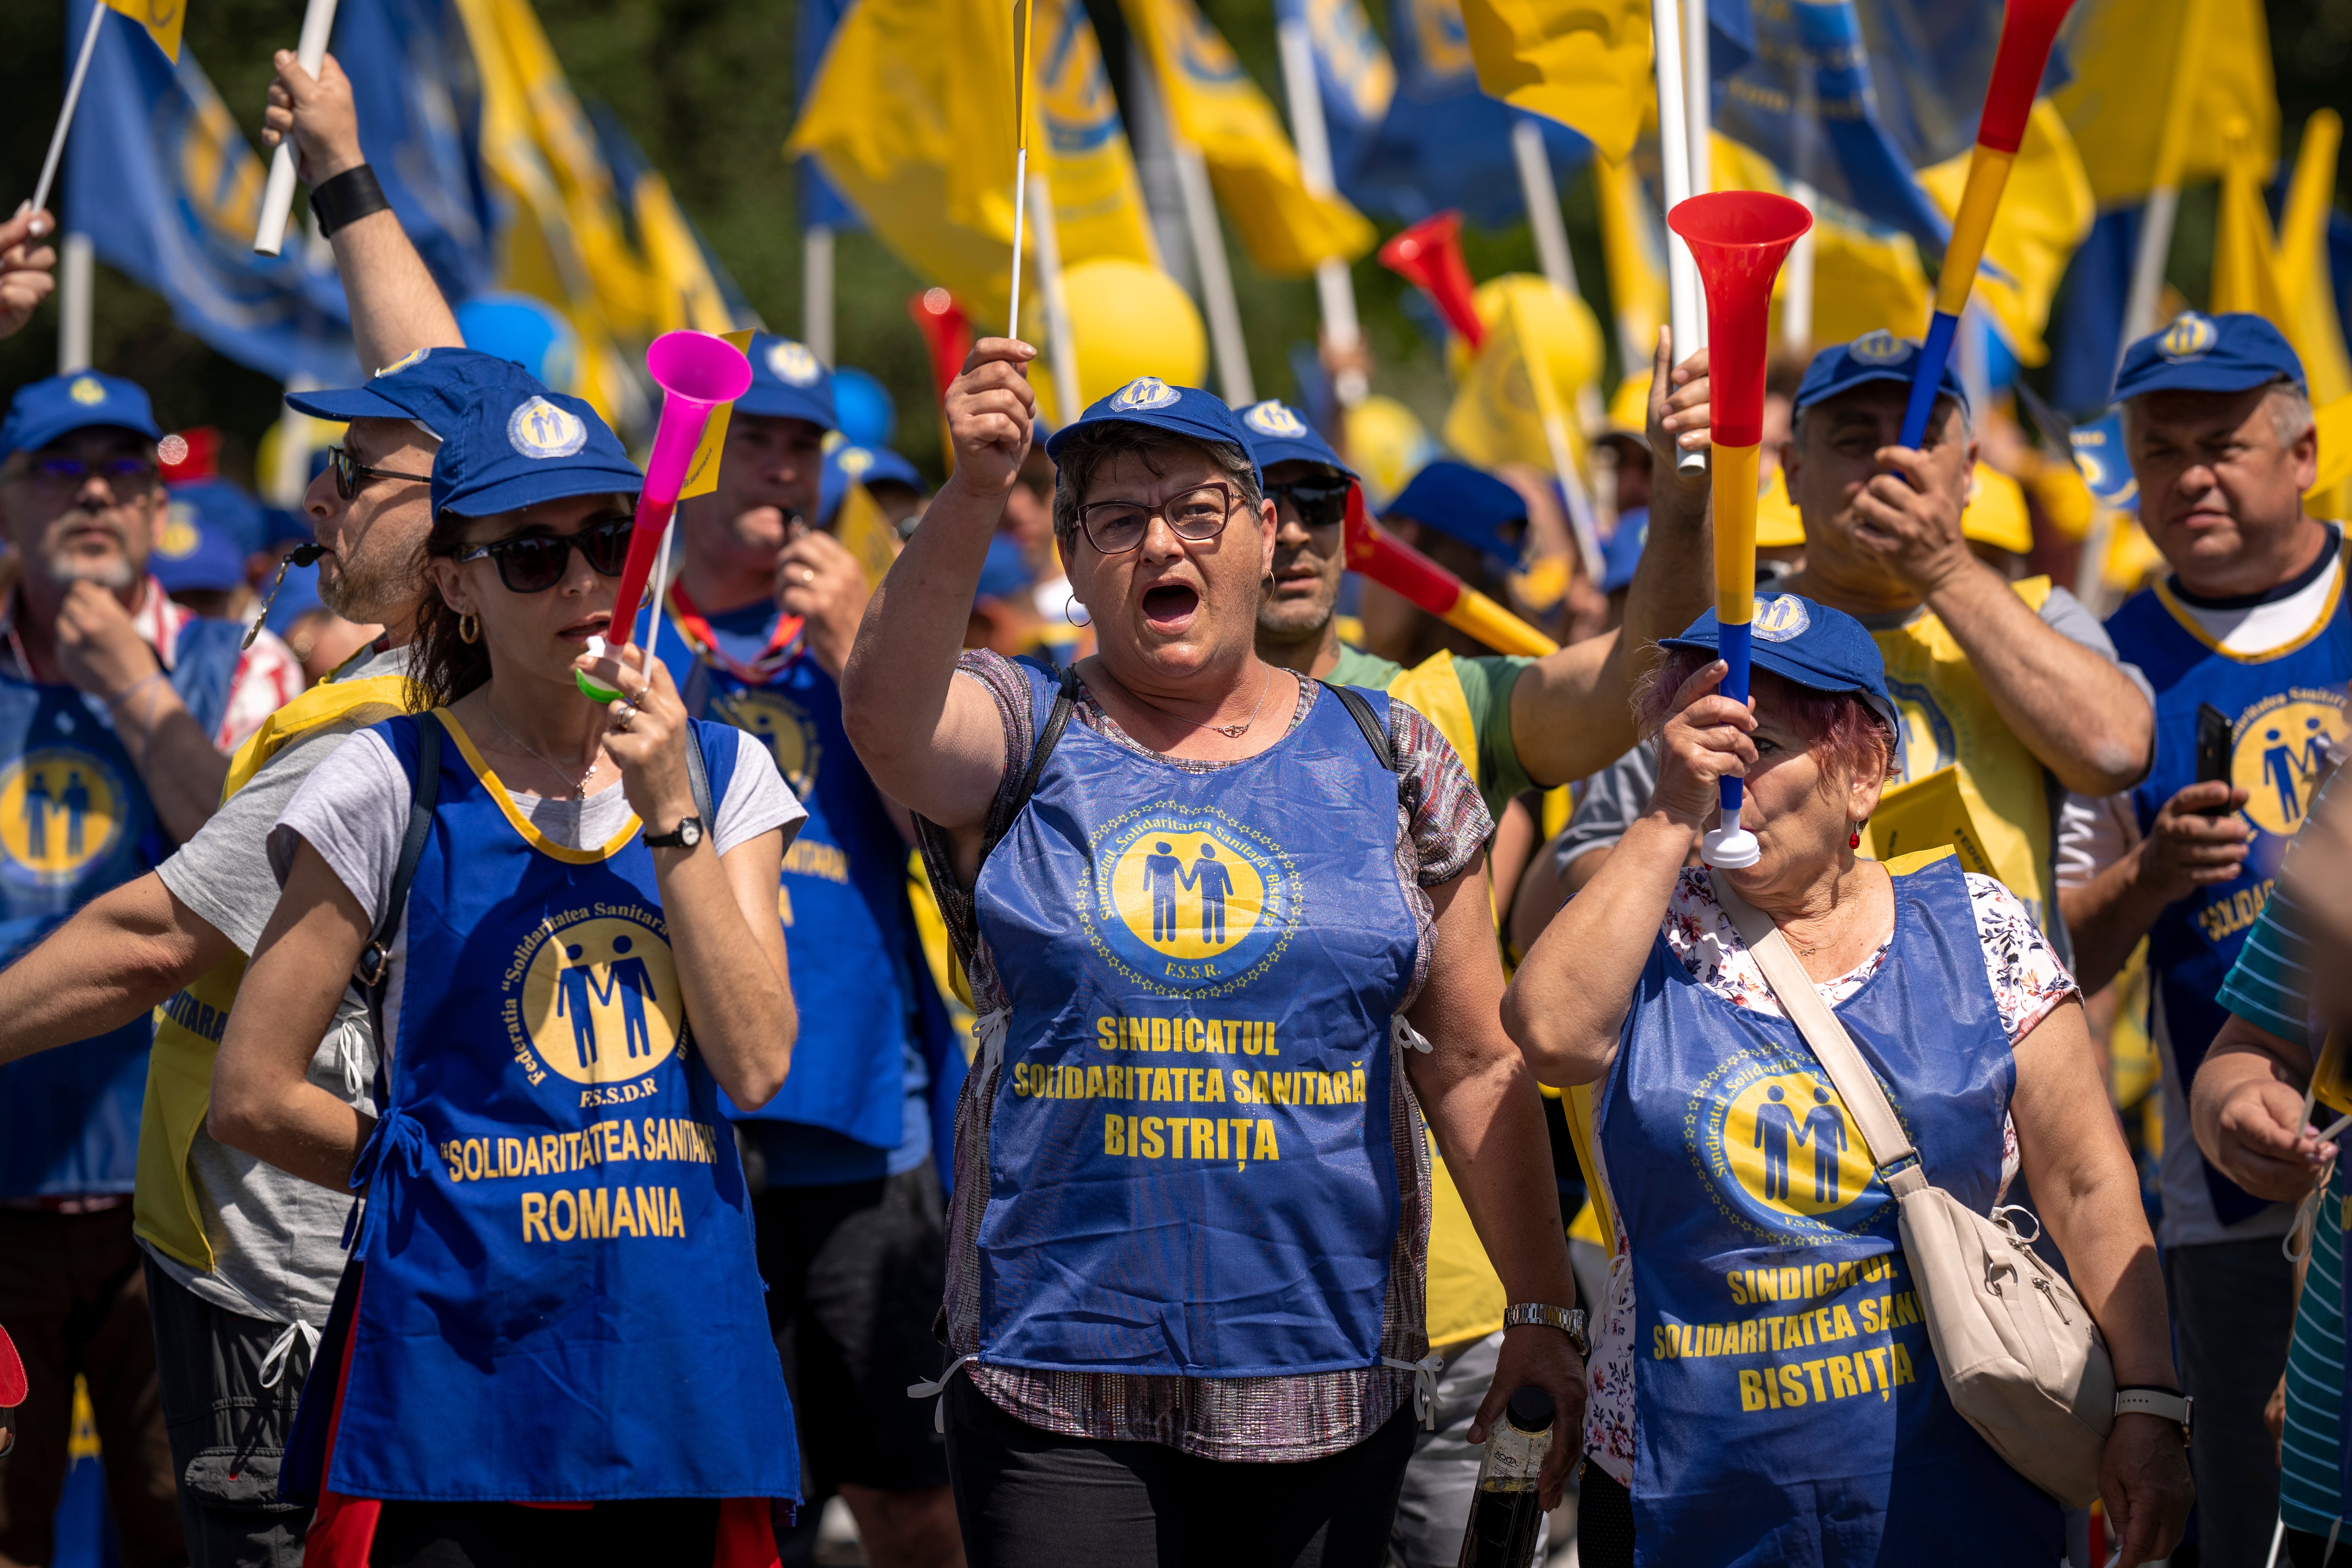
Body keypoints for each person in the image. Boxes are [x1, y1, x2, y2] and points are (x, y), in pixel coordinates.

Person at [841, 346, 1586, 1565]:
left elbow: (1471, 1058)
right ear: (1075, 565)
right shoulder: (1024, 730)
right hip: (1056, 1381)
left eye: (1196, 512)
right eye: (1119, 520)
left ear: (1263, 533)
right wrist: (974, 492)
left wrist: (1541, 1304)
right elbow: (885, 717)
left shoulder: (1393, 753)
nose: (1162, 547)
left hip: (1328, 1380)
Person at [206, 350, 803, 1568]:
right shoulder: (384, 779)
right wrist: (418, 1174)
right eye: (535, 555)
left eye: (607, 535)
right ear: (458, 584)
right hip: (450, 1372)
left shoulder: (729, 772)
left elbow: (755, 1067)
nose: (585, 577)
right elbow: (254, 1091)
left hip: (674, 1372)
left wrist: (673, 810)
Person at [0, 50, 475, 1563]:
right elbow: (441, 409)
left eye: (357, 480)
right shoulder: (475, 673)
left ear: (456, 521)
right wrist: (338, 175)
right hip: (298, 1235)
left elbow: (149, 940)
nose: (321, 504)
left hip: (283, 1263)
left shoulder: (367, 727)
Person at [1501, 596, 2193, 1566]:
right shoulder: (1645, 926)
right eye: (1704, 732)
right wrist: (1666, 812)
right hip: (1683, 1487)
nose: (1727, 769)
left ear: (1862, 770)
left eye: (1761, 741)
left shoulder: (1978, 924)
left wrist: (2149, 1398)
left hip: (1950, 1475)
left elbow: (2086, 1182)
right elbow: (1547, 1034)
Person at [1240, 337, 1714, 1567]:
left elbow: (1634, 686)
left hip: (1460, 1321)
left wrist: (1680, 500)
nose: (1291, 534)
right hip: (1245, 1327)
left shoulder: (1441, 706)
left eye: (1315, 505)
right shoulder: (1109, 738)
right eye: (1253, 503)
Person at [650, 334, 966, 1568]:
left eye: (804, 446)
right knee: (717, 1496)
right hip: (678, 1117)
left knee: (908, 1489)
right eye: (756, 437)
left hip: (856, 1118)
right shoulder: (631, 610)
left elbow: (951, 838)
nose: (782, 472)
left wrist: (861, 647)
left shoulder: (867, 633)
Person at [0, 352, 306, 1564]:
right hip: (3, 1188)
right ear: (8, 496)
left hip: (183, 1202)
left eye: (123, 470)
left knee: (191, 1535)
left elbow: (262, 871)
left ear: (158, 504)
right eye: (57, 469)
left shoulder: (243, 668)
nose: (92, 493)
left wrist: (131, 690)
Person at [2052, 311, 2345, 1567]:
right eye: (2159, 450)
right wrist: (2148, 874)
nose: (2188, 478)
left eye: (2220, 443)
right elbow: (2058, 960)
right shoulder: (2108, 672)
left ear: (2306, 450)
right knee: (2270, 1530)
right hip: (2229, 1207)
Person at [1770, 331, 2155, 954]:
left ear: (1970, 471)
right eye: (1854, 441)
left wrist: (1945, 570)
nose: (1892, 464)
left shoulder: (2042, 614)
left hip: (2008, 1032)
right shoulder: (1738, 629)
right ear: (1791, 471)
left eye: (1920, 439)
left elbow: (2115, 751)